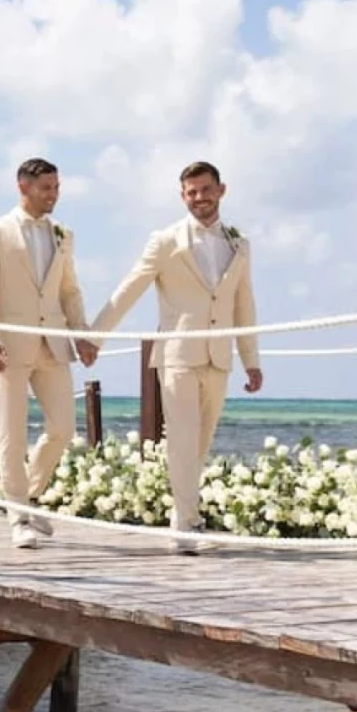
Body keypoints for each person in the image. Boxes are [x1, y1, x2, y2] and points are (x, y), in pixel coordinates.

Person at [91, 160, 264, 553]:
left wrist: (251, 360)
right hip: (177, 355)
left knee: (201, 443)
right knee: (183, 441)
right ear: (182, 196)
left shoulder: (240, 243)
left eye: (205, 190)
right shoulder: (166, 240)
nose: (199, 198)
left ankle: (183, 518)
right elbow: (130, 287)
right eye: (191, 192)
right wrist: (95, 338)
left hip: (219, 355)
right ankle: (186, 527)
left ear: (221, 190)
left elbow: (243, 303)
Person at [0, 157, 96, 550]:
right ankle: (19, 516)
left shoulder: (63, 234)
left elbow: (69, 291)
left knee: (63, 429)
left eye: (57, 187)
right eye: (46, 188)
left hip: (53, 343)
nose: (53, 195)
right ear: (23, 187)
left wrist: (83, 335)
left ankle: (28, 493)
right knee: (12, 434)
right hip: (10, 345)